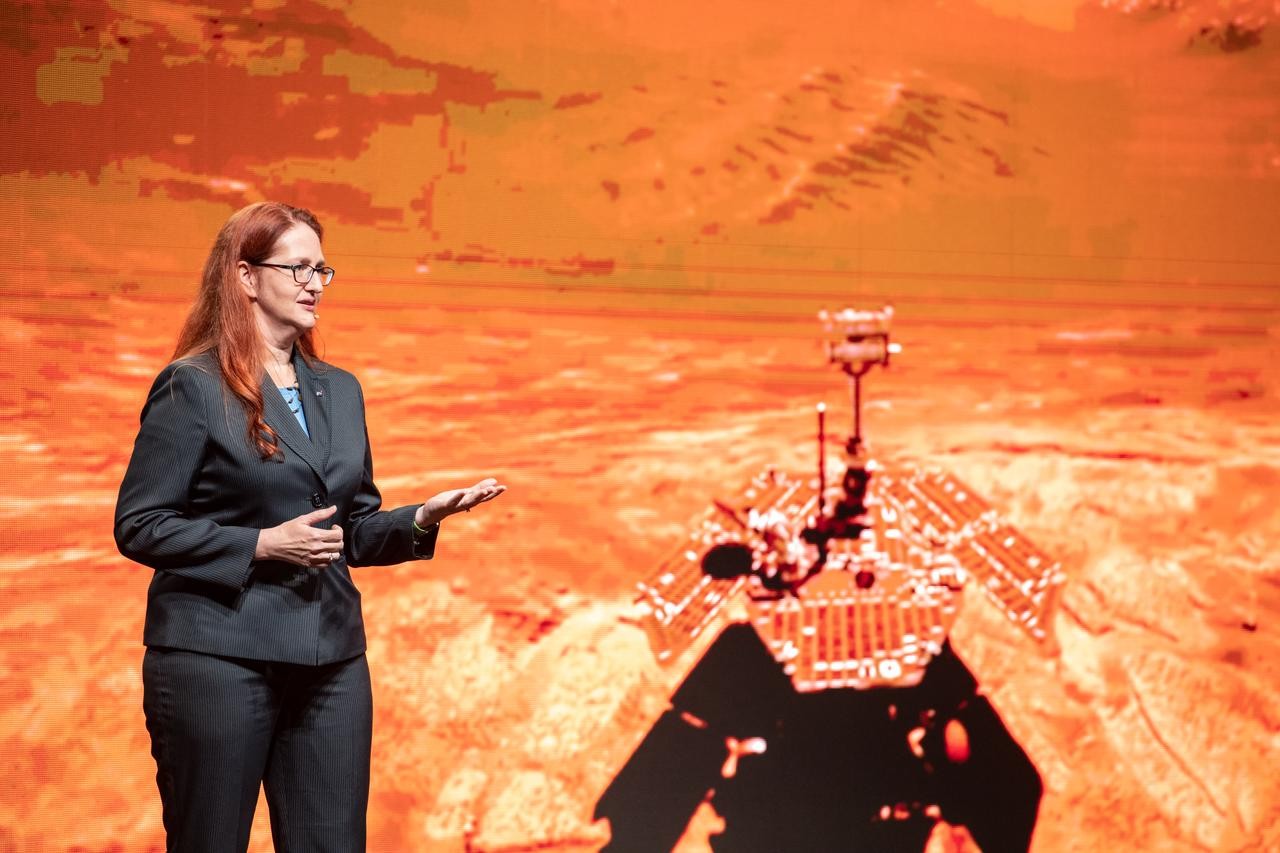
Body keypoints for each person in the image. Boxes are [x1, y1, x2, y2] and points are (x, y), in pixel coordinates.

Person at [114, 201, 505, 852]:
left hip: (331, 663)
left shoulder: (341, 390)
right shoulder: (194, 387)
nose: (314, 282)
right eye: (296, 267)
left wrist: (422, 517)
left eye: (321, 268)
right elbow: (141, 523)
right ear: (244, 276)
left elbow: (349, 530)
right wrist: (260, 545)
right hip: (219, 657)